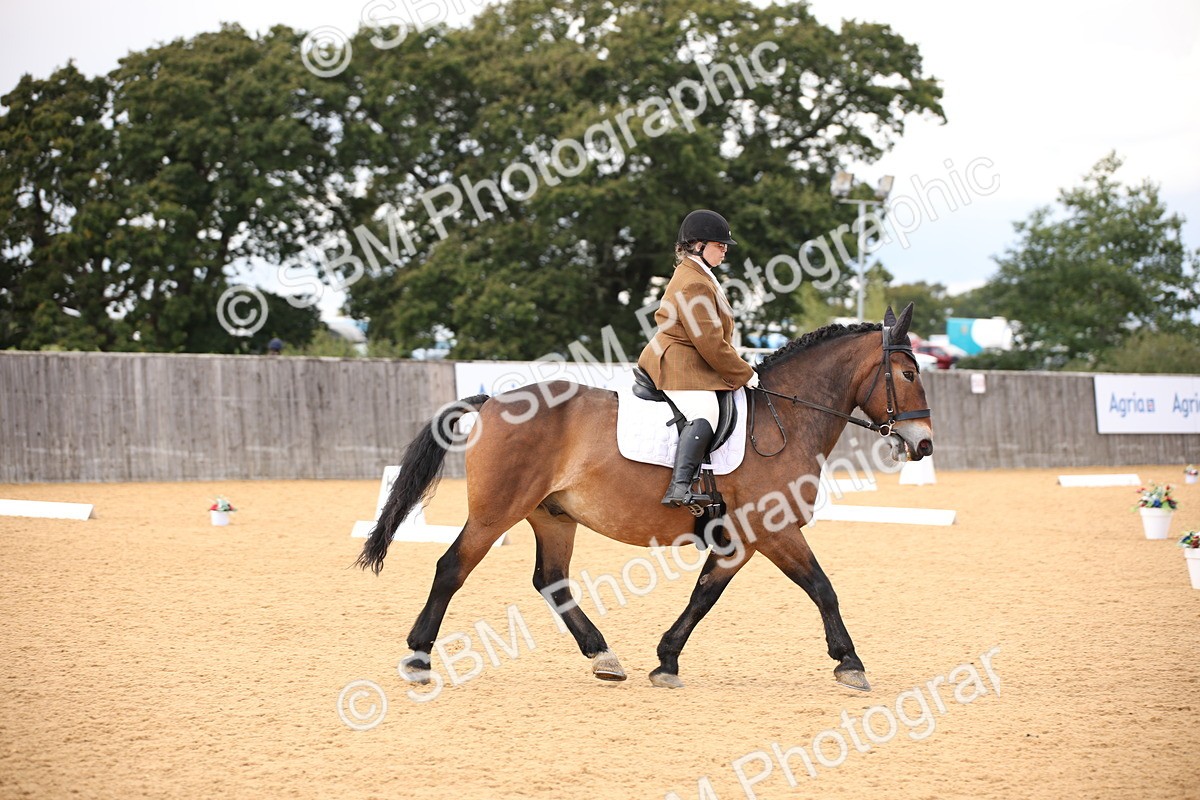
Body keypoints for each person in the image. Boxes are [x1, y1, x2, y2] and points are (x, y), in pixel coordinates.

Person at [637, 209, 760, 508]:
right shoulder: (694, 282)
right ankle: (679, 487)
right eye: (720, 245)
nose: (725, 250)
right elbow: (710, 343)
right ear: (698, 245)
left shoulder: (701, 276)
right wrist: (744, 373)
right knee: (705, 412)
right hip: (677, 362)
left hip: (691, 360)